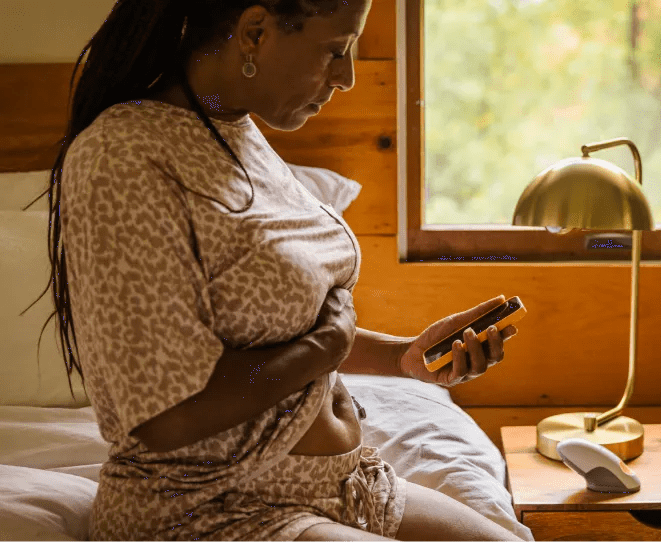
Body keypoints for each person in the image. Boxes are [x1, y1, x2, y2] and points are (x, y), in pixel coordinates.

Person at [43, 0, 526, 540]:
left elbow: (273, 325)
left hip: (343, 485)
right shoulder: (123, 155)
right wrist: (326, 348)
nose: (346, 78)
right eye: (335, 51)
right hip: (209, 505)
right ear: (255, 32)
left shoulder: (236, 131)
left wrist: (403, 356)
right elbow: (164, 417)